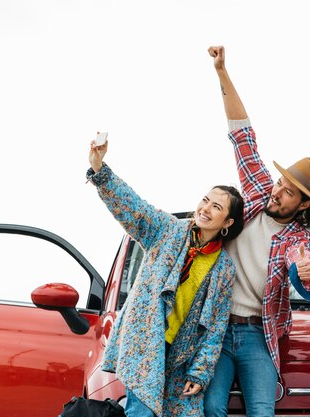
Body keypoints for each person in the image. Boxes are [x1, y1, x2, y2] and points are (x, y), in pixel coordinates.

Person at [204, 45, 310, 417]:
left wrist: (305, 275)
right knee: (210, 406)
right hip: (216, 329)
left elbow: (302, 271)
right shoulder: (258, 194)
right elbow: (243, 137)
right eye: (280, 183)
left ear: (303, 205)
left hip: (259, 334)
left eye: (289, 192)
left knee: (262, 411)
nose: (278, 191)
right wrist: (222, 72)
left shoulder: (299, 240)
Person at [87, 136, 245, 417]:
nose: (205, 209)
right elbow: (134, 208)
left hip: (180, 359)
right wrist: (100, 171)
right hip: (145, 343)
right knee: (143, 413)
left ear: (228, 223)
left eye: (216, 207)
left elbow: (216, 326)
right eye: (205, 201)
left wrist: (200, 372)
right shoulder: (168, 230)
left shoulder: (223, 268)